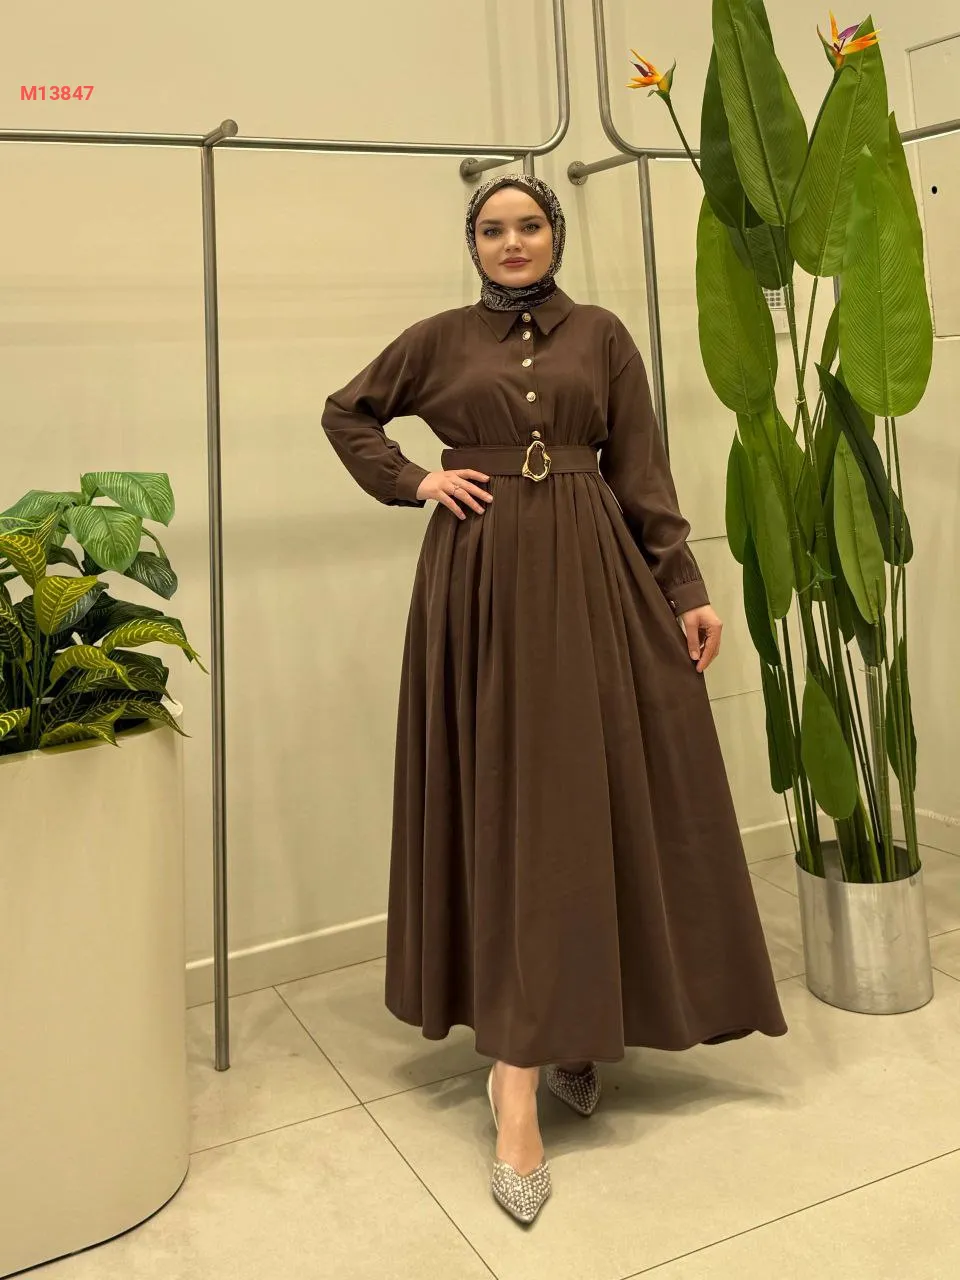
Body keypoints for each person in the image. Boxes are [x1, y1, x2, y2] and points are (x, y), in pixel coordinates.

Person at [321, 173, 787, 1226]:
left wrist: (685, 587)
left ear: (555, 234)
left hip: (593, 574)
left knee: (592, 796)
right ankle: (517, 1077)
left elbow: (642, 468)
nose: (512, 241)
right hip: (481, 583)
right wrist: (416, 480)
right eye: (493, 229)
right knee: (511, 805)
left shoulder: (603, 335)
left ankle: (577, 1022)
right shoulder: (439, 340)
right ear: (473, 243)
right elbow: (347, 413)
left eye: (529, 225)